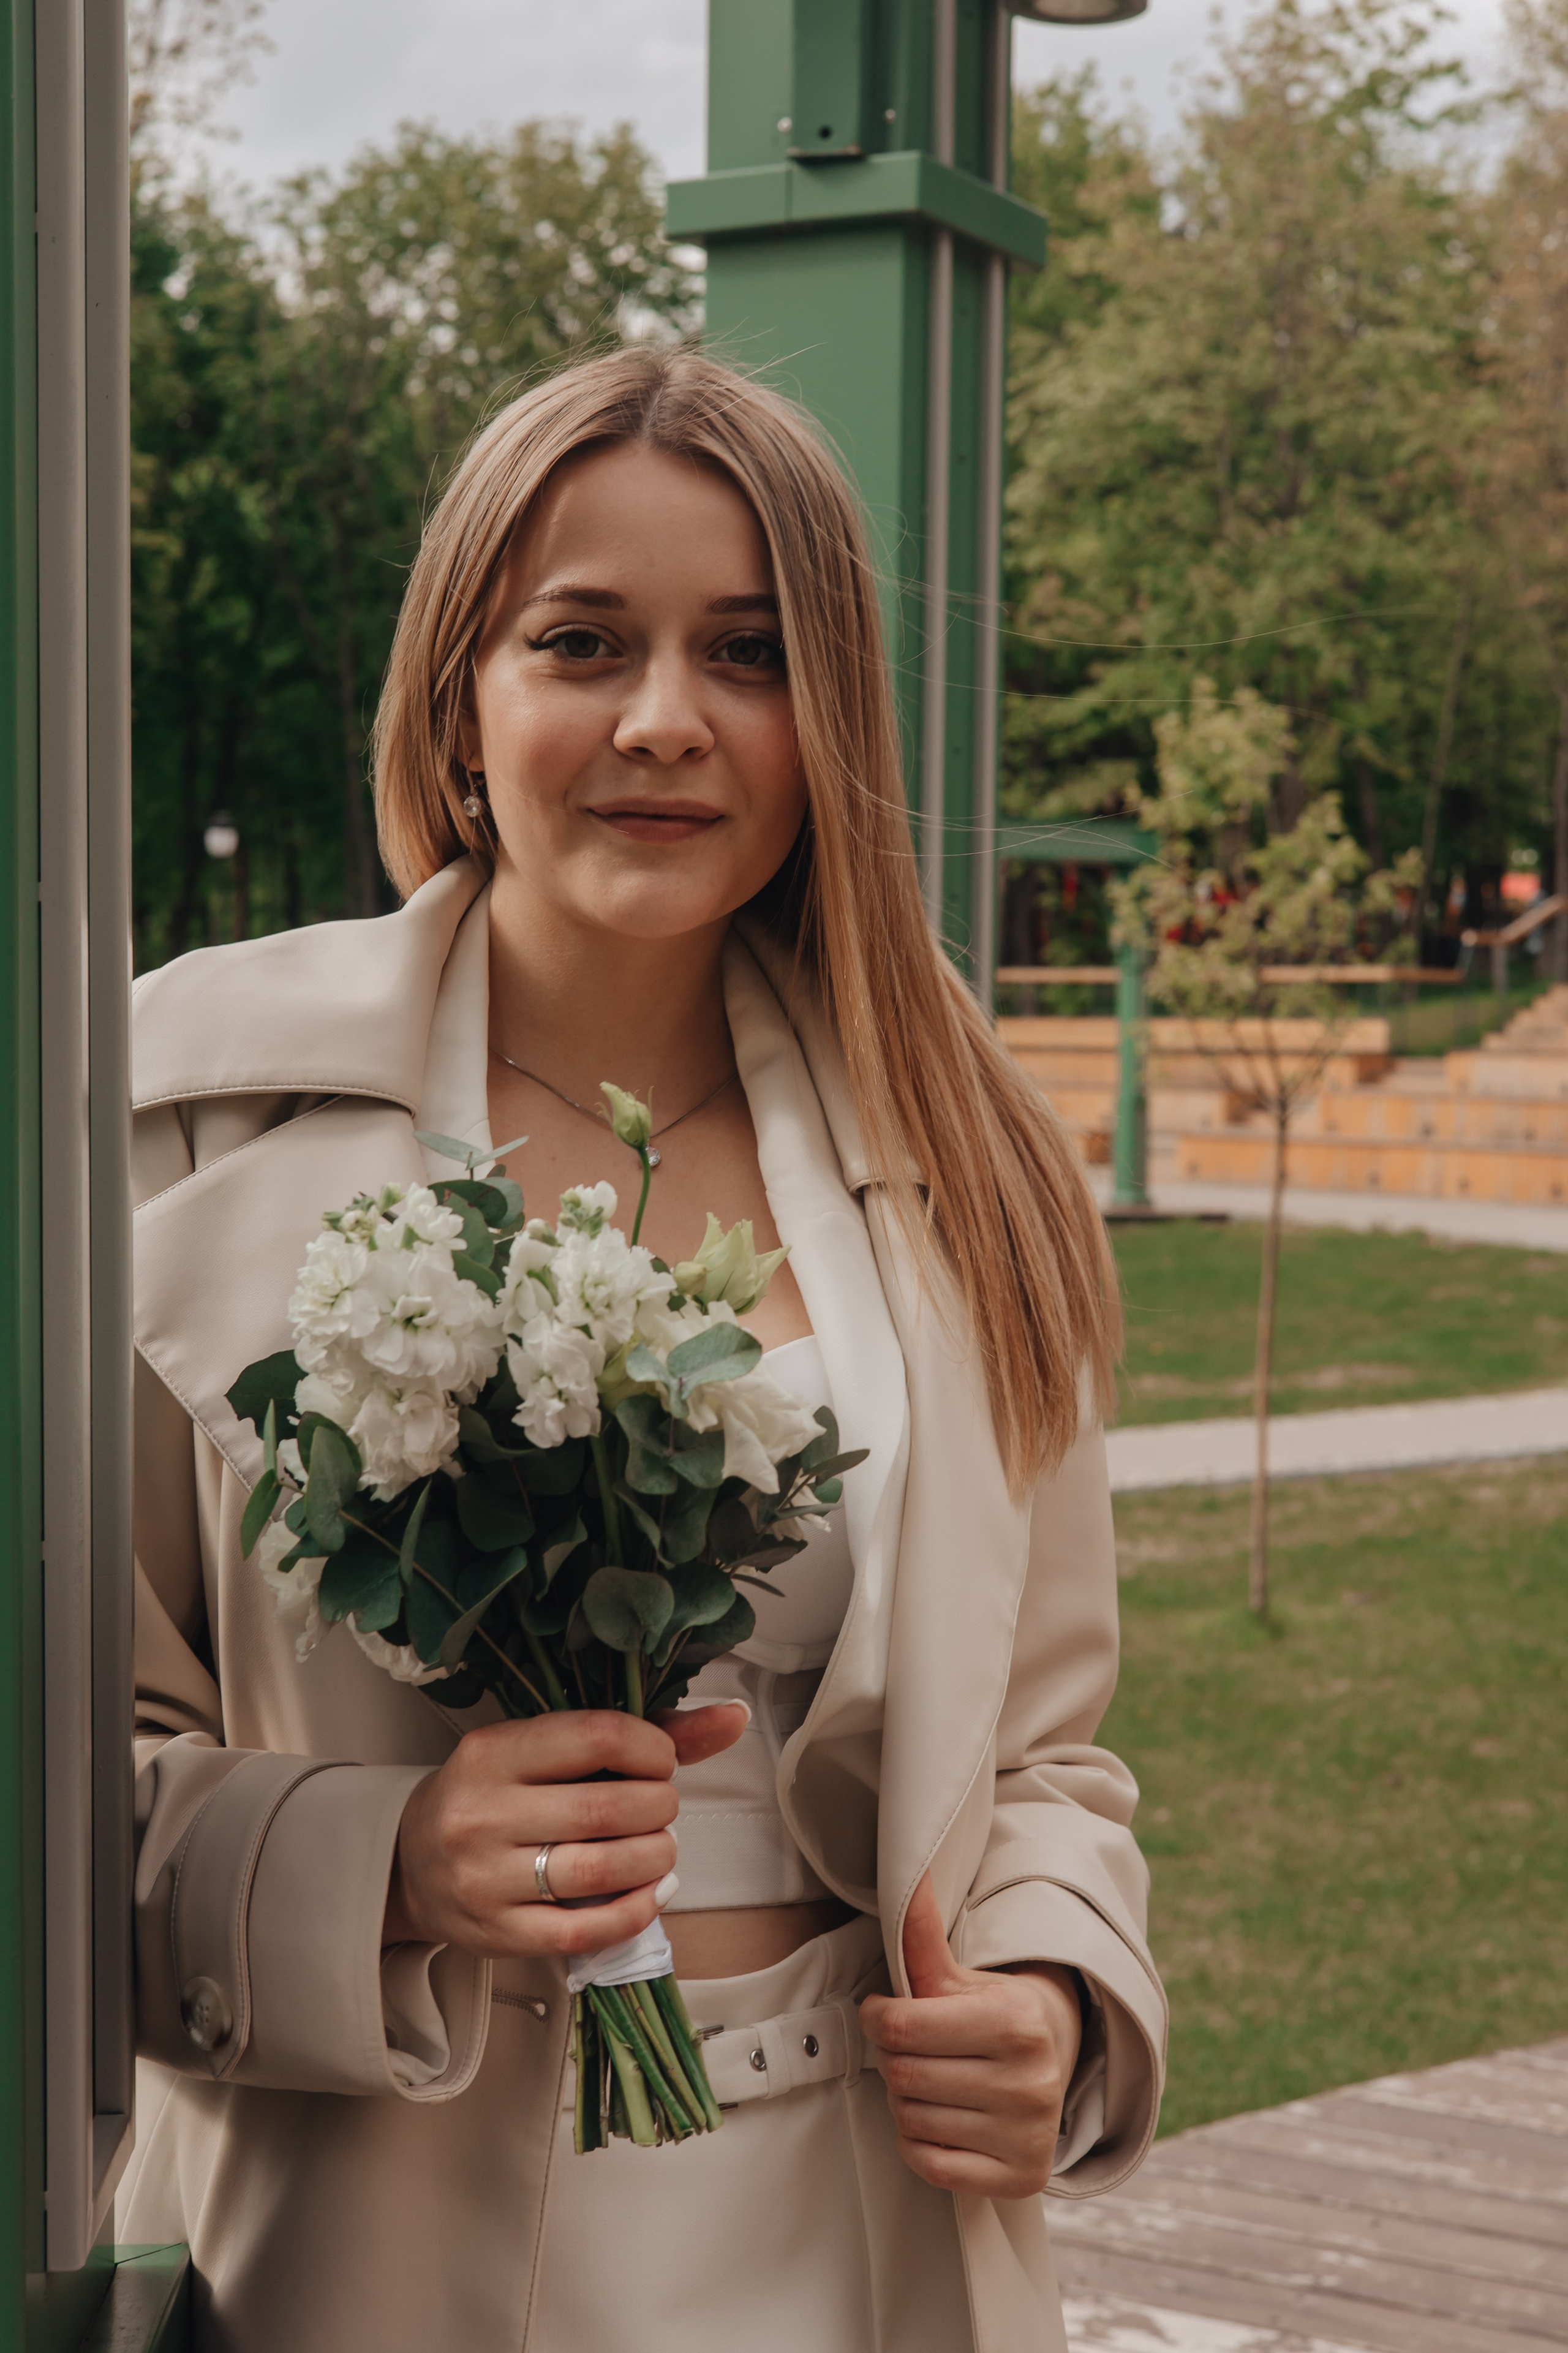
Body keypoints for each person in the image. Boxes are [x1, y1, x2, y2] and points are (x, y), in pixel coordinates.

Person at [123, 347, 1166, 2352]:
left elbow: (1042, 1747)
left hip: (863, 2236)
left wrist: (1053, 1993)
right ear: (461, 693)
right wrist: (391, 1858)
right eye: (583, 640)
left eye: (752, 654)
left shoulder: (972, 1160)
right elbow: (65, 1782)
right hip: (368, 2235)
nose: (667, 721)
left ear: (830, 716)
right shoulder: (180, 1124)